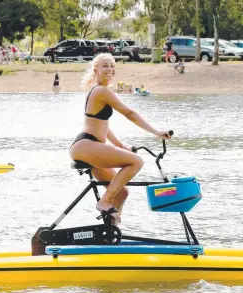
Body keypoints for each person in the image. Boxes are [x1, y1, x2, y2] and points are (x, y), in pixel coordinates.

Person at [69, 53, 171, 225]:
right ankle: (104, 202)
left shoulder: (98, 91)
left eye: (112, 65)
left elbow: (104, 127)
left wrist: (121, 146)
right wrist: (156, 132)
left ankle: (110, 233)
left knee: (121, 192)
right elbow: (129, 113)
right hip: (87, 145)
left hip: (89, 148)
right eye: (105, 66)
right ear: (96, 70)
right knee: (136, 162)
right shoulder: (102, 91)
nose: (109, 69)